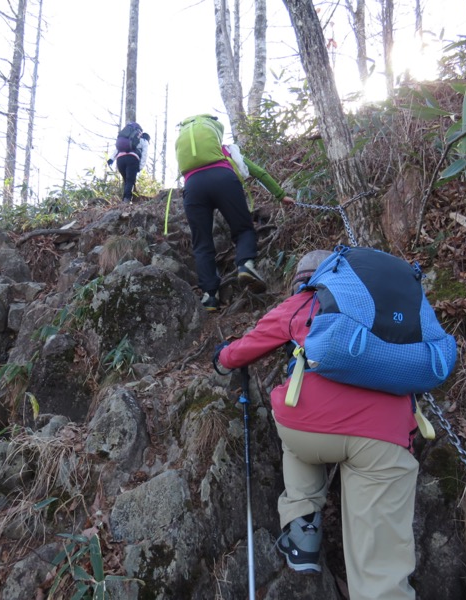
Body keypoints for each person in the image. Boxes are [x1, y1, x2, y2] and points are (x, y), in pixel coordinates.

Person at [214, 250, 419, 600]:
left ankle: (304, 525)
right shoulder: (394, 309)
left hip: (310, 427)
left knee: (295, 439)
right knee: (382, 568)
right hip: (387, 434)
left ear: (302, 281)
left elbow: (243, 350)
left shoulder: (303, 303)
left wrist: (221, 357)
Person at [177, 122, 294, 312]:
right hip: (224, 180)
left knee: (202, 242)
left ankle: (210, 296)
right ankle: (245, 265)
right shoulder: (227, 150)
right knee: (243, 229)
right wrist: (281, 195)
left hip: (194, 186)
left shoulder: (192, 159)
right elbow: (259, 172)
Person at [108, 130, 150, 203]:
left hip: (120, 160)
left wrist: (111, 159)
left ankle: (125, 199)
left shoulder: (129, 140)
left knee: (127, 181)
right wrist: (140, 167)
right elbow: (144, 155)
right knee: (130, 180)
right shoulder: (144, 141)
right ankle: (126, 201)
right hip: (132, 159)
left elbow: (118, 149)